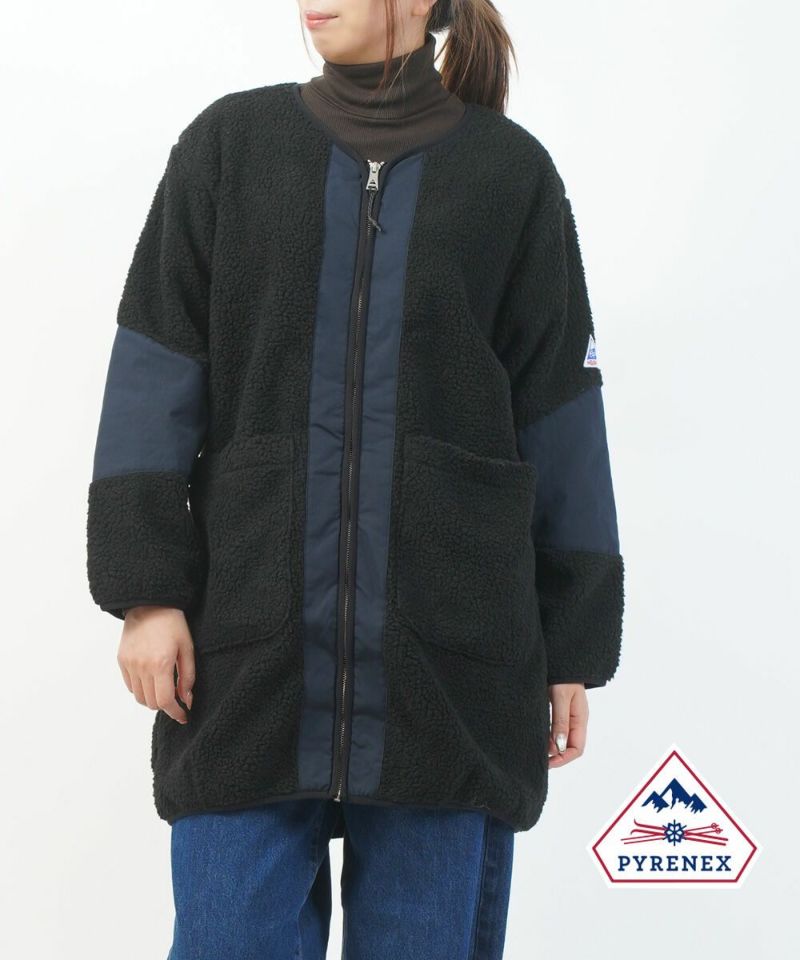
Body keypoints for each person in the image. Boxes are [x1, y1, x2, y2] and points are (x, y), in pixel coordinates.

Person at [86, 1, 625, 957]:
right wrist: (146, 594)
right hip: (247, 661)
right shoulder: (229, 149)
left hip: (449, 668)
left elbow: (561, 419)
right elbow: (153, 381)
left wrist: (570, 644)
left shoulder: (511, 176)